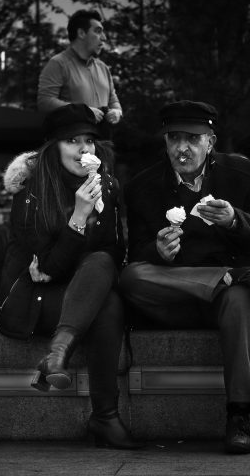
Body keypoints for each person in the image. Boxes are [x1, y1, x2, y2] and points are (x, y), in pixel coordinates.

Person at [0, 103, 141, 449]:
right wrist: (78, 217)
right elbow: (46, 269)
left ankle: (58, 358)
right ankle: (105, 416)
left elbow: (115, 251)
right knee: (105, 297)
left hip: (85, 291)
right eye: (71, 141)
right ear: (53, 147)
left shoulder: (106, 184)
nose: (83, 150)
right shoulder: (31, 193)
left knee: (103, 272)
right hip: (35, 300)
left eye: (88, 141)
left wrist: (87, 255)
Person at [120, 100, 250, 454]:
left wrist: (236, 220)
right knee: (131, 277)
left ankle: (240, 415)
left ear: (210, 141)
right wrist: (157, 251)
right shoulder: (143, 187)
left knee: (239, 300)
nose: (182, 148)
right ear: (164, 143)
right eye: (174, 138)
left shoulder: (241, 174)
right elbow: (138, 252)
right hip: (173, 298)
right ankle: (230, 277)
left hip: (227, 304)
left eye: (193, 139)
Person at [37, 9, 122, 130]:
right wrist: (82, 111)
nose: (104, 38)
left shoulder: (103, 68)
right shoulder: (58, 63)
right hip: (73, 143)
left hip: (103, 143)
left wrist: (117, 111)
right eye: (98, 31)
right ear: (81, 33)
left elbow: (113, 100)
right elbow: (44, 102)